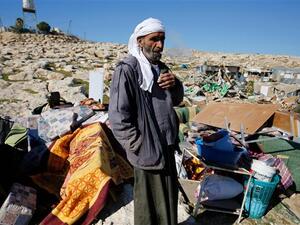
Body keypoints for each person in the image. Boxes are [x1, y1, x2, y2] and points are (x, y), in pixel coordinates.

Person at [108, 17, 184, 225]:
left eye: (162, 40)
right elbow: (117, 117)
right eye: (154, 39)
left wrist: (175, 83)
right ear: (140, 41)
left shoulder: (161, 67)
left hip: (166, 147)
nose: (159, 45)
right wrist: (137, 145)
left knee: (168, 201)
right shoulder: (128, 69)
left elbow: (176, 100)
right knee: (149, 208)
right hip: (147, 150)